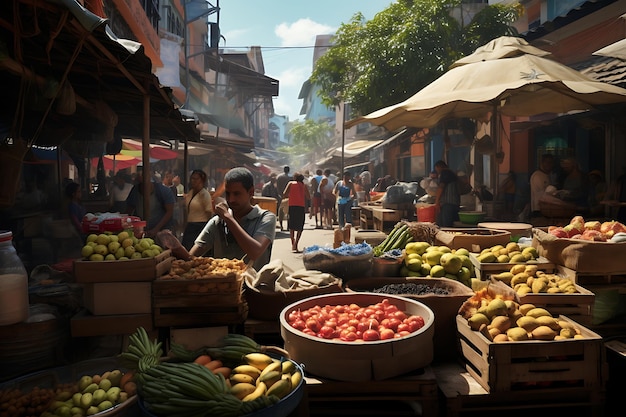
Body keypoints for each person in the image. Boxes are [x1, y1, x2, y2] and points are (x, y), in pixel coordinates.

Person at [167, 167, 276, 271]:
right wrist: (176, 247)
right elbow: (192, 258)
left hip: (255, 287)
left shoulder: (265, 218)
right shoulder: (217, 222)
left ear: (251, 192)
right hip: (225, 288)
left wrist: (228, 218)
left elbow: (255, 252)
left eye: (237, 194)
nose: (231, 199)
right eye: (227, 194)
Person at [126, 167, 176, 237]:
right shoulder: (135, 190)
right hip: (141, 230)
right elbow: (129, 209)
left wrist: (156, 229)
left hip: (161, 230)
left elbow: (169, 212)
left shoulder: (163, 191)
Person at [182, 169, 213, 250]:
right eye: (192, 178)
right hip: (190, 225)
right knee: (186, 248)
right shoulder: (191, 192)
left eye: (196, 179)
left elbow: (209, 212)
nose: (193, 181)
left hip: (200, 226)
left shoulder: (205, 194)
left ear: (202, 181)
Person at [283, 172, 310, 252]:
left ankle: (293, 243)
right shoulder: (304, 185)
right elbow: (308, 197)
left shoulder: (290, 183)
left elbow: (284, 194)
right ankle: (296, 243)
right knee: (300, 226)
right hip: (301, 207)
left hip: (292, 206)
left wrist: (291, 196)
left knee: (291, 225)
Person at [434, 160, 460, 227]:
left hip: (448, 204)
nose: (437, 171)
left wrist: (436, 202)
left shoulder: (445, 172)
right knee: (449, 225)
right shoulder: (452, 173)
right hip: (455, 203)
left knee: (445, 226)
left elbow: (441, 187)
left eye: (436, 169)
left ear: (439, 167)